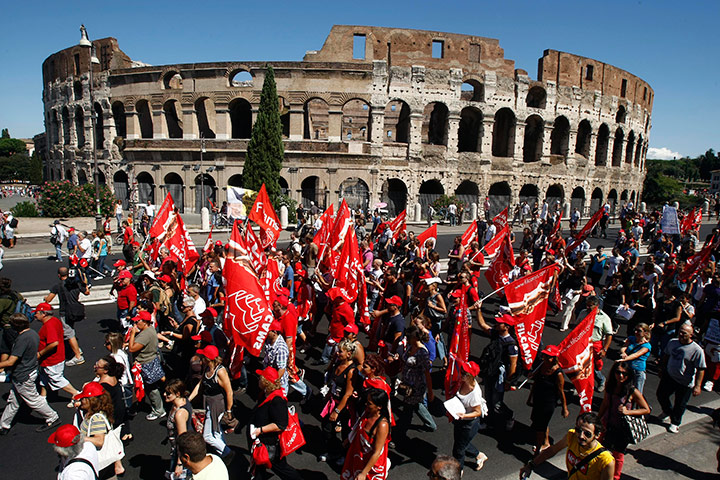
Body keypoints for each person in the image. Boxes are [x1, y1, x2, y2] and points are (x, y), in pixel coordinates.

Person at [0, 313, 60, 434]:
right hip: (30, 370)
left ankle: (52, 417)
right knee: (14, 401)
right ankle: (4, 425)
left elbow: (11, 361)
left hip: (23, 375)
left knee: (33, 400)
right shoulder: (33, 333)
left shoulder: (22, 339)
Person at [519, 412, 614, 480]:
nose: (581, 436)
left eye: (587, 434)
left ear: (597, 435)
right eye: (578, 430)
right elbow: (552, 450)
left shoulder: (605, 460)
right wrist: (530, 465)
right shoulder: (572, 436)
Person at [597, 362, 651, 480]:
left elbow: (646, 409)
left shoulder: (632, 391)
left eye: (624, 373)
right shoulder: (610, 386)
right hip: (608, 424)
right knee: (601, 449)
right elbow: (605, 403)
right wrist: (598, 418)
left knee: (618, 454)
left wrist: (628, 412)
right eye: (618, 372)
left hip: (622, 429)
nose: (620, 376)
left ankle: (615, 477)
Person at [248, 366, 302, 480]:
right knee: (260, 468)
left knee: (281, 468)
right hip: (261, 441)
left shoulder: (277, 400)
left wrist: (260, 430)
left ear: (265, 382)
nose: (258, 380)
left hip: (270, 443)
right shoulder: (265, 394)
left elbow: (280, 425)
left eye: (260, 378)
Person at [656, 322, 705, 433]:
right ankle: (667, 411)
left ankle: (675, 422)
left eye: (684, 333)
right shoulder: (672, 342)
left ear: (691, 335)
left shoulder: (697, 350)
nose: (681, 335)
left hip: (684, 381)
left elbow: (701, 369)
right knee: (661, 394)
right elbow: (666, 356)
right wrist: (661, 369)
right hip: (670, 376)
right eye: (680, 332)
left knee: (680, 403)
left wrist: (698, 385)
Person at [189, 344, 235, 462]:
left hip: (217, 404)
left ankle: (227, 453)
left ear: (208, 358)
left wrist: (229, 410)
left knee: (208, 436)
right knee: (216, 431)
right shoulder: (206, 368)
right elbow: (200, 385)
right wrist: (188, 400)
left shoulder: (220, 371)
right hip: (208, 402)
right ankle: (223, 455)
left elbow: (229, 391)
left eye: (203, 356)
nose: (200, 358)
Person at [341, 388, 392, 480]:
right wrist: (348, 440)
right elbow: (357, 427)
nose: (366, 404)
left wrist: (363, 473)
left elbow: (377, 452)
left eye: (369, 403)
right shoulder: (367, 413)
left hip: (371, 466)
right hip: (359, 458)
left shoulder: (382, 425)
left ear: (379, 407)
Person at [527, 345, 569, 454]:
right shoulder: (541, 366)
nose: (545, 359)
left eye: (549, 357)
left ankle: (538, 449)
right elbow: (535, 382)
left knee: (541, 426)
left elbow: (561, 391)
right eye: (545, 356)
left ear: (554, 358)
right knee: (537, 421)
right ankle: (545, 441)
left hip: (548, 402)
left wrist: (564, 408)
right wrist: (530, 397)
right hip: (538, 398)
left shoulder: (558, 374)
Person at [34, 302, 79, 402]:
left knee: (56, 379)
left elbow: (54, 343)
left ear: (43, 314)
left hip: (52, 359)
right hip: (51, 359)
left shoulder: (49, 326)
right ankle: (42, 396)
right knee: (44, 377)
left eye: (37, 313)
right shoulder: (55, 321)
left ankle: (76, 394)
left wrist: (40, 354)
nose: (35, 315)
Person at [450, 361, 488, 471]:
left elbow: (478, 412)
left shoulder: (475, 393)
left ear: (470, 377)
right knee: (460, 443)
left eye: (464, 372)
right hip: (460, 419)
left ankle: (457, 472)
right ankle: (479, 455)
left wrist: (464, 416)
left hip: (469, 423)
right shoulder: (462, 382)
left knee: (458, 450)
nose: (461, 373)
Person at [45, 266, 87, 366]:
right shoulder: (76, 284)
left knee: (69, 333)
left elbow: (48, 300)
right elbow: (87, 292)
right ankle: (76, 348)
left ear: (59, 275)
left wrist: (45, 298)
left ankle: (78, 356)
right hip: (75, 311)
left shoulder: (58, 286)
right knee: (70, 330)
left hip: (65, 312)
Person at [128, 311, 166, 420]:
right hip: (151, 360)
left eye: (138, 321)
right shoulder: (150, 329)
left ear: (145, 322)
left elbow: (132, 348)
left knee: (151, 387)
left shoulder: (145, 335)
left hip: (146, 363)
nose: (135, 324)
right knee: (150, 386)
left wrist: (132, 334)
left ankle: (158, 410)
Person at [164, 379, 195, 478]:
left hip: (181, 452)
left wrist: (179, 463)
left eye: (168, 393)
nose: (165, 394)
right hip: (177, 449)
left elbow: (183, 439)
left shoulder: (180, 413)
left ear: (177, 394)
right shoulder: (181, 401)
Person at [618, 323, 651, 393]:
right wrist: (623, 352)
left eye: (639, 331)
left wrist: (624, 359)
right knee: (625, 389)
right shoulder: (631, 338)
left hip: (637, 371)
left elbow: (636, 355)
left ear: (645, 333)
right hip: (627, 369)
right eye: (635, 330)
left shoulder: (646, 346)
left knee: (636, 392)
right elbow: (624, 347)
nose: (636, 332)